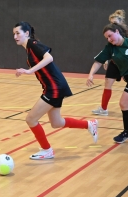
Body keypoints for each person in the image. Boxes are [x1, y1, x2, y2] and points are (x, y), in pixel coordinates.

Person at [13, 21, 98, 160]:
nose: (15, 36)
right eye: (14, 34)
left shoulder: (34, 45)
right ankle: (89, 124)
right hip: (52, 87)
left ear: (27, 33)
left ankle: (47, 150)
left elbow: (49, 57)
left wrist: (29, 71)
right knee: (56, 122)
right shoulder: (28, 49)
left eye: (18, 33)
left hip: (55, 87)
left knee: (31, 119)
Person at [92, 9, 128, 116]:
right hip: (115, 63)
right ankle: (103, 109)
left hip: (127, 64)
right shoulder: (111, 36)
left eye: (115, 23)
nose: (112, 25)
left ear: (120, 23)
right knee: (107, 83)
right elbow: (110, 50)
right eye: (111, 23)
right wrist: (106, 59)